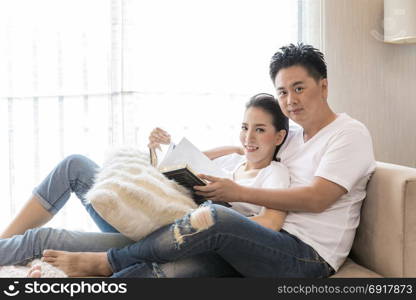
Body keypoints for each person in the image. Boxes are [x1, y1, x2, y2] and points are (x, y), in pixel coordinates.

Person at [28, 43, 376, 278]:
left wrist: (235, 191)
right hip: (259, 240)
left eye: (299, 88)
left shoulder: (349, 133)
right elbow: (253, 155)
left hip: (307, 257)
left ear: (324, 86)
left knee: (214, 218)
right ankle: (82, 273)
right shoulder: (292, 136)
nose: (290, 100)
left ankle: (107, 263)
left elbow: (318, 197)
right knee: (170, 264)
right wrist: (225, 154)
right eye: (283, 91)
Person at [1, 93, 291, 278]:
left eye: (260, 130)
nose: (249, 136)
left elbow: (271, 225)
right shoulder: (233, 161)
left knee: (45, 239)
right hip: (151, 220)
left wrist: (224, 211)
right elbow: (183, 165)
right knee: (75, 164)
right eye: (244, 127)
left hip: (174, 242)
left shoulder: (275, 174)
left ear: (278, 137)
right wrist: (157, 149)